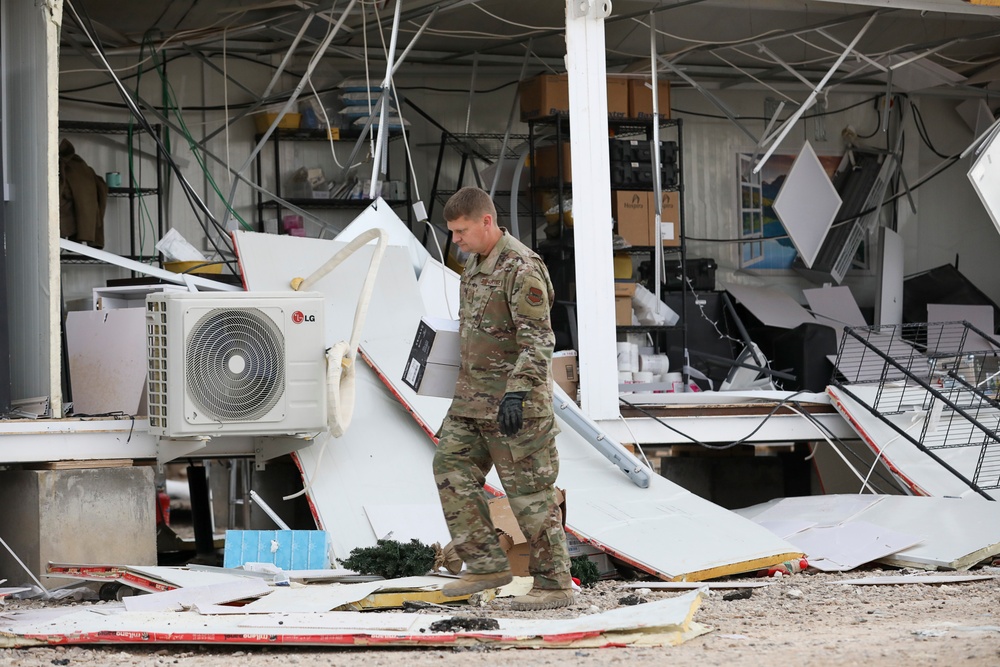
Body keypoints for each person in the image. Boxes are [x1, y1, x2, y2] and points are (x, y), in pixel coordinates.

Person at [434, 186, 574, 611]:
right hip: (472, 402)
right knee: (450, 467)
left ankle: (554, 585)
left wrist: (516, 393)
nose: (455, 240)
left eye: (461, 231)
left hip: (516, 407)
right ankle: (485, 564)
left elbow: (539, 340)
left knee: (530, 495)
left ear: (486, 222)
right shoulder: (473, 265)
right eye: (452, 232)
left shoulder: (521, 268)